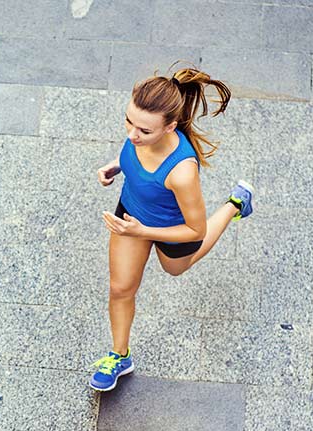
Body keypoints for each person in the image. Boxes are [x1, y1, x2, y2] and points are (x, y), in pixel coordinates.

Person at [88, 66, 254, 391]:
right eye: (129, 121)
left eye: (144, 131)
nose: (132, 134)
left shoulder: (182, 171)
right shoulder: (139, 134)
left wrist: (143, 233)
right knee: (120, 289)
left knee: (176, 268)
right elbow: (136, 154)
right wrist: (117, 165)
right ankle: (119, 356)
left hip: (172, 229)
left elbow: (195, 230)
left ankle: (235, 204)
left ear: (170, 128)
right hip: (132, 216)